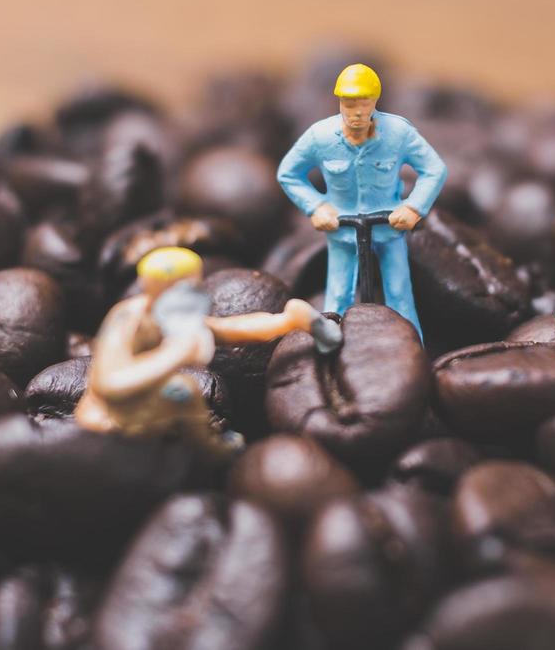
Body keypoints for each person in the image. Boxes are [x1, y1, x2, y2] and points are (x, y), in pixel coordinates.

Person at [74, 246, 335, 454]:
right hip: (109, 420)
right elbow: (109, 384)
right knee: (183, 391)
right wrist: (173, 355)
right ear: (153, 288)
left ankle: (213, 451)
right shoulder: (129, 320)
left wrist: (286, 322)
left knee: (183, 392)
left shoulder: (173, 315)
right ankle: (216, 452)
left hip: (147, 404)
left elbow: (227, 330)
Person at [276, 63, 447, 341]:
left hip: (389, 227)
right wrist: (316, 206)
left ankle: (411, 350)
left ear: (375, 102)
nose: (355, 113)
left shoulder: (398, 134)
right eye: (348, 104)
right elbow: (288, 173)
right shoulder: (320, 137)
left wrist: (413, 207)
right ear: (339, 102)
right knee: (338, 295)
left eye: (362, 105)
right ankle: (331, 349)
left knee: (399, 294)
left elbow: (434, 169)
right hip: (342, 231)